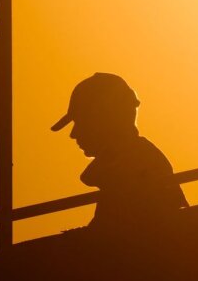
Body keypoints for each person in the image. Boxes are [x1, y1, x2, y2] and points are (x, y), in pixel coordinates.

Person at [51, 73, 187, 233]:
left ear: (104, 120)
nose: (73, 134)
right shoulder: (127, 159)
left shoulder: (132, 163)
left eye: (81, 122)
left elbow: (118, 233)